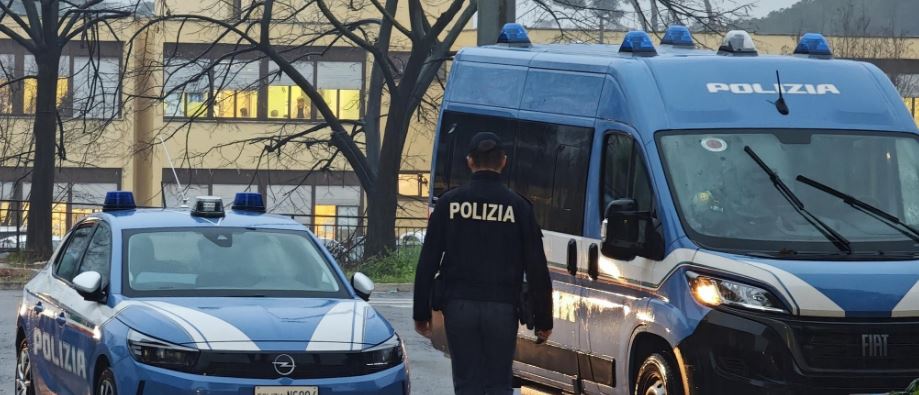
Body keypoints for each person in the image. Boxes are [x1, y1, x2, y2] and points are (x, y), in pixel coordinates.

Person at [413, 132, 554, 395]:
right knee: (499, 383)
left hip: (459, 308)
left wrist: (421, 313)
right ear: (503, 161)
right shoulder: (519, 207)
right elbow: (536, 267)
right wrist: (544, 319)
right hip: (503, 309)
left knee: (467, 383)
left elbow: (428, 261)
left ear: (469, 161)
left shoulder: (449, 204)